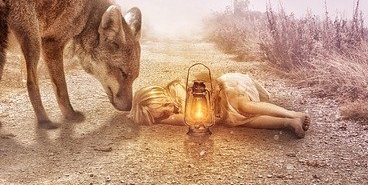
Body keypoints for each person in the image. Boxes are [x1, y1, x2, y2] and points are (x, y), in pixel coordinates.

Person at [130, 73, 311, 138]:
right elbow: (177, 118)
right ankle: (287, 123)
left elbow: (185, 117)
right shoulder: (168, 112)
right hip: (223, 112)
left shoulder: (177, 89)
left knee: (245, 107)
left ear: (161, 99)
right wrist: (158, 119)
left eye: (162, 112)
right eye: (160, 118)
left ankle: (292, 114)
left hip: (227, 89)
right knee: (244, 121)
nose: (167, 116)